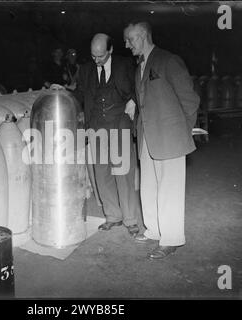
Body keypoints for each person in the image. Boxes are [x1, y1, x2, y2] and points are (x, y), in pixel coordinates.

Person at [123, 21, 199, 259]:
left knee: (170, 189)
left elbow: (190, 100)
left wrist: (182, 131)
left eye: (130, 39)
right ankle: (154, 230)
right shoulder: (139, 68)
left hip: (170, 136)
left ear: (143, 36)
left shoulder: (168, 60)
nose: (126, 45)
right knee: (149, 187)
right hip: (147, 136)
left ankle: (171, 239)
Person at [73, 33, 144, 237]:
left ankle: (130, 219)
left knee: (123, 173)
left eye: (101, 56)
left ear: (110, 50)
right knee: (102, 173)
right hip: (96, 126)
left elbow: (138, 88)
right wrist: (64, 92)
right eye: (94, 56)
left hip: (119, 122)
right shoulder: (86, 69)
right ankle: (113, 215)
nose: (97, 60)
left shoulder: (125, 65)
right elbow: (80, 94)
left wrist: (133, 100)